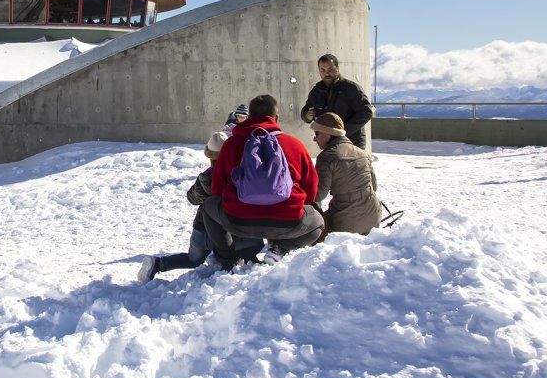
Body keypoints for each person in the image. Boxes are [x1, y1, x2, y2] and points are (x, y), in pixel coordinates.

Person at [201, 94, 324, 269]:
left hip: (238, 220)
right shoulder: (294, 145)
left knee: (209, 205)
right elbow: (311, 191)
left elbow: (217, 189)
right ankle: (280, 248)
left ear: (249, 117)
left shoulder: (232, 144)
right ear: (277, 118)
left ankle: (228, 261)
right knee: (317, 223)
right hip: (287, 222)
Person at [137, 132, 264, 282]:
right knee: (238, 252)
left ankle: (158, 264)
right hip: (230, 230)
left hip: (202, 228)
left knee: (193, 259)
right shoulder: (239, 174)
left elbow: (192, 197)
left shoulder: (206, 177)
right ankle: (221, 261)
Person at [311, 113, 382, 235]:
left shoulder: (327, 156)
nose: (314, 139)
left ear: (328, 134)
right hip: (373, 218)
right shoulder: (362, 153)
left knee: (310, 221)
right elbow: (374, 187)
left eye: (317, 134)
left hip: (346, 223)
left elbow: (318, 195)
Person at [300, 54, 374, 149]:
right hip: (328, 143)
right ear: (319, 71)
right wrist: (307, 115)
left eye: (330, 69)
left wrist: (342, 131)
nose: (327, 73)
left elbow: (366, 112)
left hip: (352, 143)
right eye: (323, 70)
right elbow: (305, 111)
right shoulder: (316, 91)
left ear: (337, 69)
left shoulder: (351, 88)